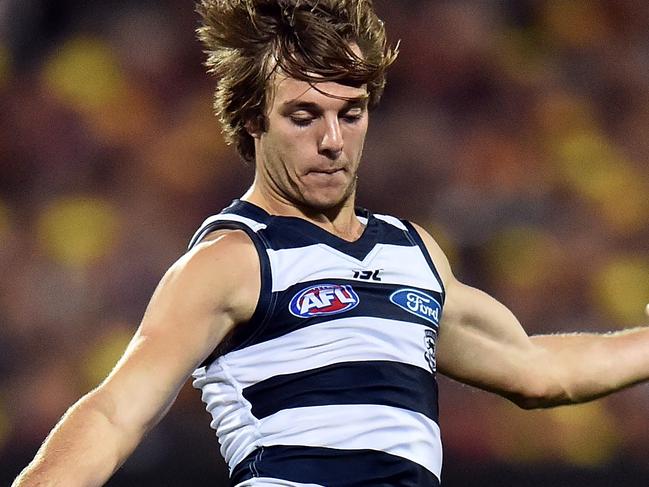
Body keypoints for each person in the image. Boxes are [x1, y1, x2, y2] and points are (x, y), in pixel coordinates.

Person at [13, 1, 649, 486]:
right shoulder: (231, 261)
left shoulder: (412, 252)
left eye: (351, 112)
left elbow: (540, 371)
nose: (333, 142)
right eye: (303, 116)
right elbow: (114, 414)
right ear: (251, 119)